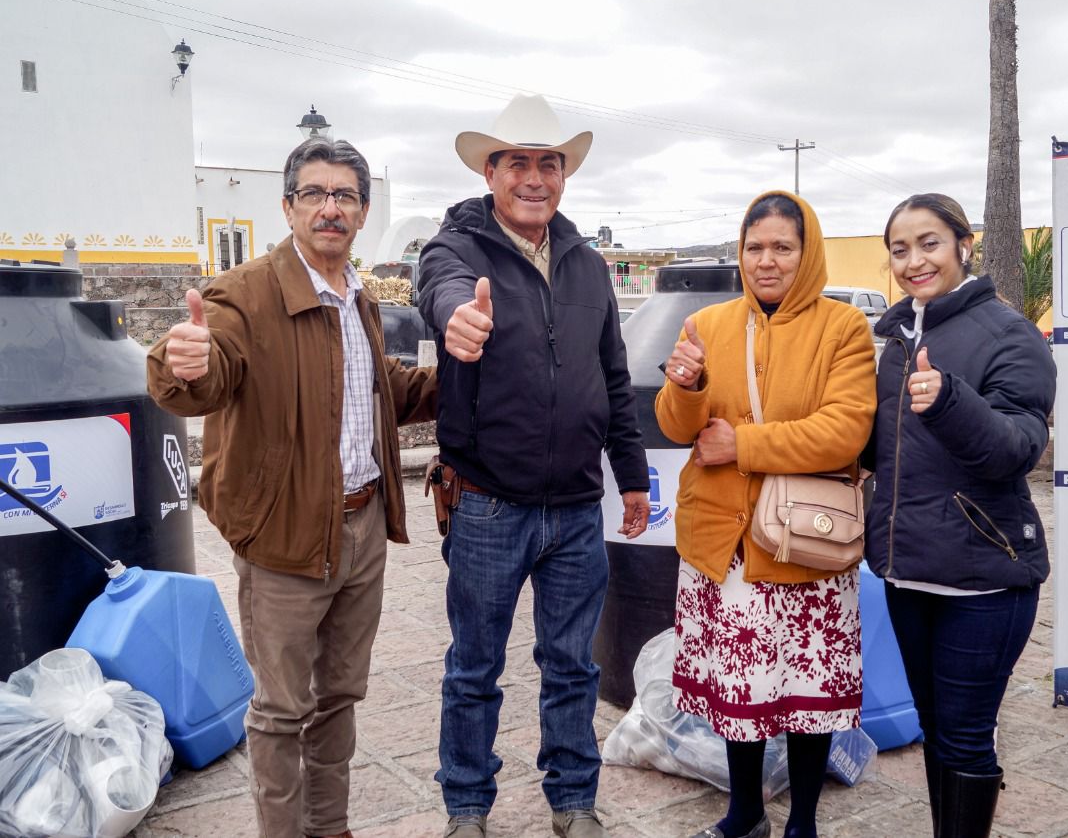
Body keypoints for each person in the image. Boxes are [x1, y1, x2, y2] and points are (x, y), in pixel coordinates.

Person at [147, 138, 438, 838]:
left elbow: (380, 390)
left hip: (363, 529)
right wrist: (181, 362)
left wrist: (462, 375)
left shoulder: (358, 297)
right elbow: (208, 366)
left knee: (339, 696)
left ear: (363, 212)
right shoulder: (245, 294)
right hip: (283, 537)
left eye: (345, 196)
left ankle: (329, 825)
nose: (330, 208)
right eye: (315, 193)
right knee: (281, 710)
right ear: (288, 206)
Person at [416, 93, 650, 838]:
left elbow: (613, 376)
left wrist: (635, 476)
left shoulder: (586, 264)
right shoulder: (456, 248)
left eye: (548, 163)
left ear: (563, 174)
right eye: (517, 162)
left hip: (579, 508)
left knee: (572, 666)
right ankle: (466, 805)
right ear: (491, 171)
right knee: (474, 667)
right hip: (487, 502)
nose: (534, 178)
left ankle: (574, 798)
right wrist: (458, 315)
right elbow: (439, 290)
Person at [655, 191, 877, 838]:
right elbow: (675, 425)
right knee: (739, 690)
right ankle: (745, 811)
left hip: (803, 544)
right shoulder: (710, 325)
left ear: (807, 254)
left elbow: (843, 431)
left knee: (807, 698)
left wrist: (742, 444)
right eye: (754, 247)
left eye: (783, 246)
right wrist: (686, 386)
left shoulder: (844, 328)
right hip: (725, 545)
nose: (767, 260)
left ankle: (802, 821)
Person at [865, 193, 1055, 838]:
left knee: (968, 738)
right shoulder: (896, 338)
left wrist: (948, 399)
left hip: (985, 579)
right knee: (937, 729)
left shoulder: (1010, 332)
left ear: (962, 245)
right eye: (899, 249)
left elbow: (1017, 449)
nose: (914, 260)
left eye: (929, 243)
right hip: (909, 573)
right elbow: (878, 448)